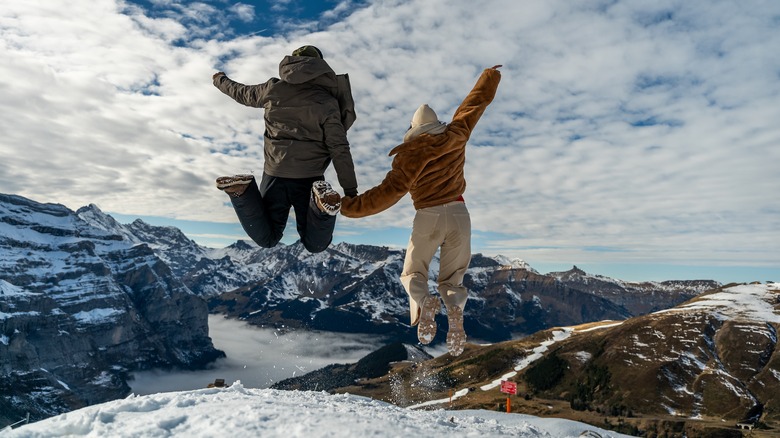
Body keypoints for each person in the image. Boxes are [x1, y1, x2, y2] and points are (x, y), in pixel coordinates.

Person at [340, 65, 502, 356]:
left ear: (412, 130)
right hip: (460, 214)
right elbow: (475, 103)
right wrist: (490, 76)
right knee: (453, 278)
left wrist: (349, 207)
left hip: (428, 215)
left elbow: (386, 194)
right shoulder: (456, 134)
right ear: (437, 123)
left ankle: (424, 300)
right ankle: (454, 309)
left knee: (413, 271)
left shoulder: (409, 155)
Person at [212, 45, 358, 253]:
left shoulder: (272, 89)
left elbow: (241, 93)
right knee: (315, 244)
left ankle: (242, 192)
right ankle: (320, 205)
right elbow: (339, 148)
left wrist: (220, 80)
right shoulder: (327, 102)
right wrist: (350, 190)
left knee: (268, 238)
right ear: (321, 67)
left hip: (275, 173)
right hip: (310, 177)